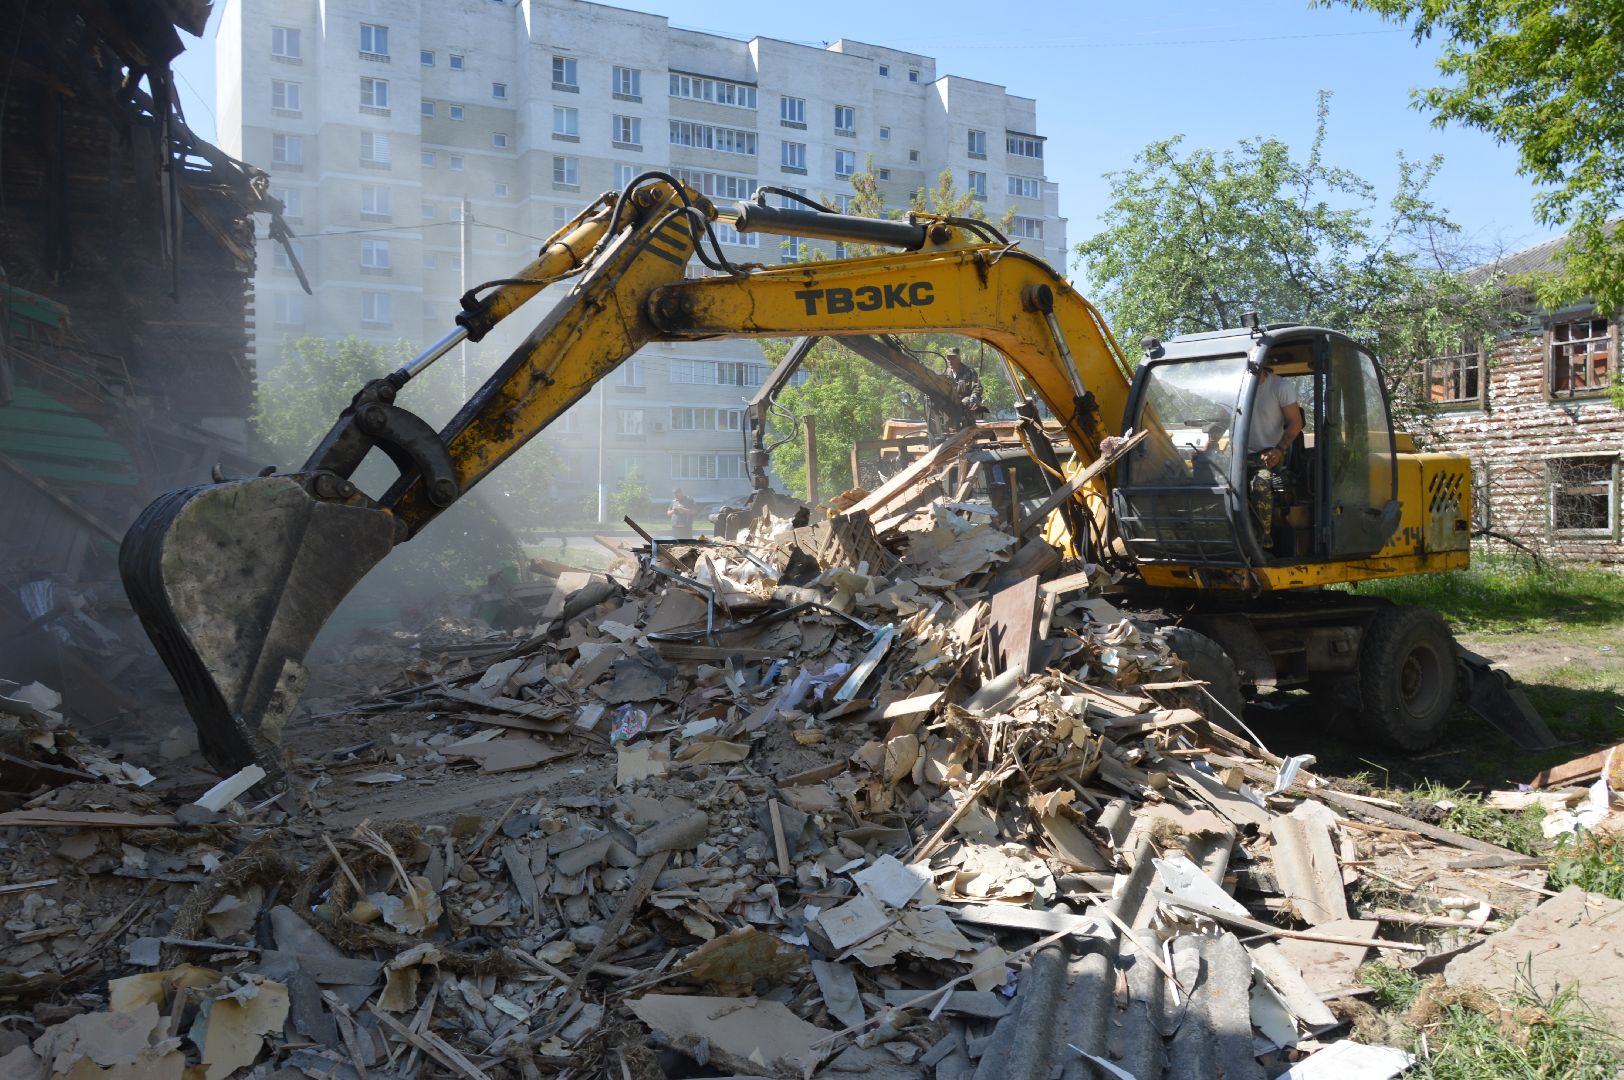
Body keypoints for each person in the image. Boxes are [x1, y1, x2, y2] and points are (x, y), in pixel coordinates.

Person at [1246, 368, 1305, 550]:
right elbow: (1222, 420)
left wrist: (1279, 449)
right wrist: (1209, 446)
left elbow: (1296, 423)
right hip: (1240, 457)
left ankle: (1261, 543)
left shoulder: (1279, 386)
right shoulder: (1236, 385)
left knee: (1261, 482)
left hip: (1270, 455)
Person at [945, 348, 983, 413]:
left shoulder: (970, 371)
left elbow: (977, 387)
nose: (950, 361)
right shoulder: (945, 373)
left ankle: (968, 421)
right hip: (951, 400)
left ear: (959, 359)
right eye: (948, 358)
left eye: (953, 358)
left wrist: (974, 395)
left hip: (966, 399)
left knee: (962, 404)